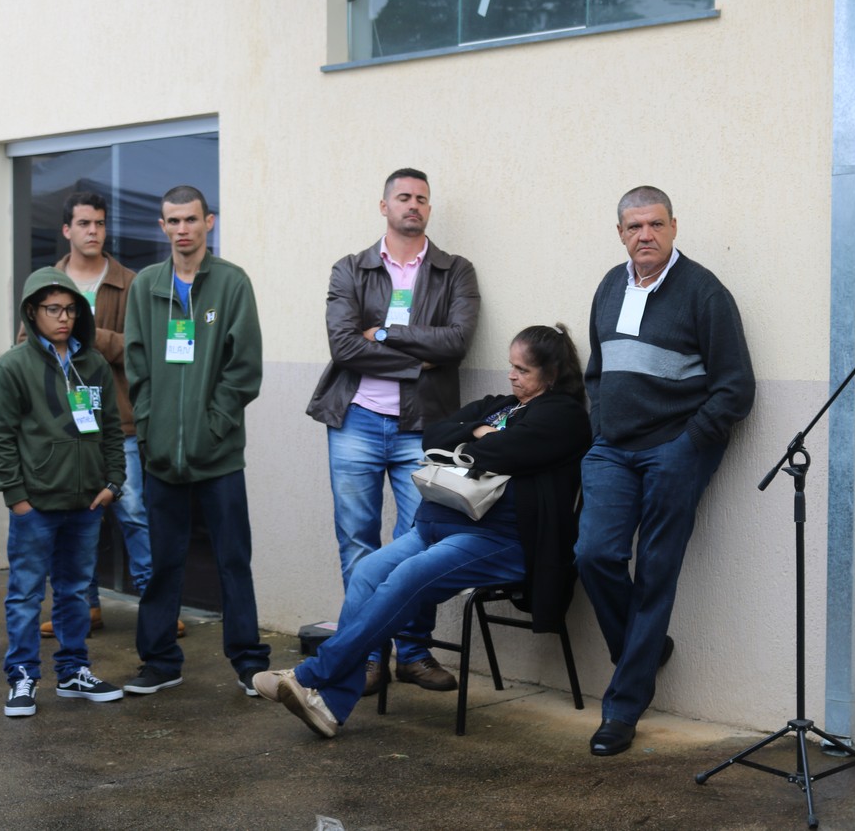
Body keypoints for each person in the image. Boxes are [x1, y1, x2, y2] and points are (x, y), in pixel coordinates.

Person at [256, 324, 591, 737]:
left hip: (498, 540)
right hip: (436, 527)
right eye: (511, 366)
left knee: (408, 577)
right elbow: (434, 434)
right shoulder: (500, 406)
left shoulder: (564, 416)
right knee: (367, 572)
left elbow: (505, 451)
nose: (511, 376)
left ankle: (310, 676)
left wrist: (471, 440)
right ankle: (327, 706)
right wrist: (477, 433)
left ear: (551, 374)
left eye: (522, 370)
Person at [575, 186, 755, 757]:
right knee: (594, 555)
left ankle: (622, 707)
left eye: (655, 224)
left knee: (655, 570)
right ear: (620, 234)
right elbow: (597, 371)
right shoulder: (610, 286)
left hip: (675, 449)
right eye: (634, 227)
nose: (645, 235)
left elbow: (736, 387)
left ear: (674, 227)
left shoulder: (704, 292)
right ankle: (646, 650)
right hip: (613, 448)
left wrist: (688, 444)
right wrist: (600, 427)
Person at [306, 168, 480, 696]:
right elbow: (344, 346)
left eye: (422, 198)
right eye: (403, 197)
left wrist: (382, 332)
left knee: (418, 542)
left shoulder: (454, 271)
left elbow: (455, 342)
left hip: (421, 427)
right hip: (356, 420)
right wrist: (414, 360)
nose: (413, 205)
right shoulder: (351, 268)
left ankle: (413, 652)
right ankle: (367, 655)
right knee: (357, 541)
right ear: (384, 206)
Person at [122, 185, 271, 697]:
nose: (182, 229)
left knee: (233, 560)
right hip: (162, 457)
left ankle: (249, 663)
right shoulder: (146, 286)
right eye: (173, 221)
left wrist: (213, 426)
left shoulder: (231, 283)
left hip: (220, 457)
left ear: (209, 222)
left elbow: (244, 368)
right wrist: (150, 428)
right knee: (163, 563)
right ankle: (160, 662)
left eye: (190, 219)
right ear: (162, 226)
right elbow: (137, 366)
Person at [18, 193, 174, 639]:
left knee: (134, 513)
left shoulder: (130, 283)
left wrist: (88, 335)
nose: (93, 231)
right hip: (60, 431)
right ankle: (83, 609)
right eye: (84, 223)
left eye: (100, 223)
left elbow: (143, 347)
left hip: (117, 422)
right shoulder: (46, 282)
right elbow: (24, 345)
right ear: (67, 230)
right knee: (72, 518)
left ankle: (157, 608)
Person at [0, 268, 127, 716]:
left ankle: (73, 672)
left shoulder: (94, 364)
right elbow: (0, 439)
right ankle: (22, 677)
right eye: (53, 309)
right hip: (36, 506)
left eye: (70, 309)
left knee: (74, 592)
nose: (63, 318)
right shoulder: (12, 366)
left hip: (86, 504)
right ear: (32, 312)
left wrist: (113, 483)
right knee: (26, 594)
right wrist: (18, 499)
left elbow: (111, 428)